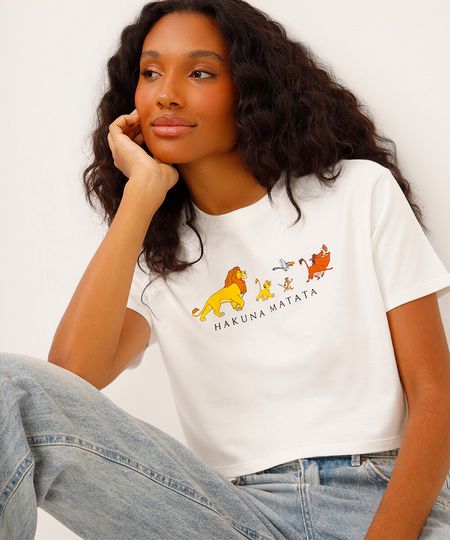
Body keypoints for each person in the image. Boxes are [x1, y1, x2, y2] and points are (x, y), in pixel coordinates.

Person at [1, 0, 449, 538]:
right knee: (9, 389)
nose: (166, 94)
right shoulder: (157, 255)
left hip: (375, 498)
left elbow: (436, 393)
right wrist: (141, 196)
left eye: (199, 73)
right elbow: (67, 383)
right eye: (150, 73)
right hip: (233, 517)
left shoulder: (358, 193)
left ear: (250, 89)